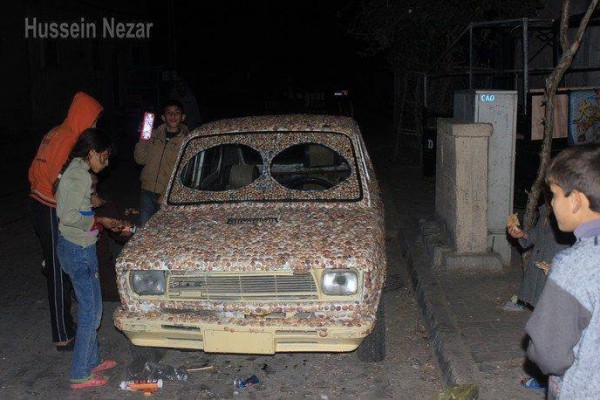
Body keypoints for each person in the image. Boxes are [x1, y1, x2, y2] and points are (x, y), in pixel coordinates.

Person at [28, 92, 103, 351]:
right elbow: (60, 184)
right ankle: (62, 334)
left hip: (40, 202)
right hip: (49, 206)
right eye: (94, 120)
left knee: (60, 265)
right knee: (58, 269)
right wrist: (86, 202)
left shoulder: (57, 131)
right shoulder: (68, 138)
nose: (95, 126)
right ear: (83, 116)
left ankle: (66, 324)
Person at [525, 144, 600, 399]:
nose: (553, 203)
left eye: (555, 195)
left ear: (576, 200)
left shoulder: (574, 265)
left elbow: (549, 352)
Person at [55, 128, 123, 389]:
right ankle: (80, 374)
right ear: (92, 152)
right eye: (103, 158)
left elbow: (72, 206)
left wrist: (94, 212)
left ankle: (92, 360)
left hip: (79, 247)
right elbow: (68, 216)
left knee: (92, 307)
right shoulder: (79, 176)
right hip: (78, 250)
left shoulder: (77, 170)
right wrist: (99, 221)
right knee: (90, 312)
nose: (105, 165)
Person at [134, 100, 189, 226]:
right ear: (163, 117)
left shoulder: (187, 140)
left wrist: (165, 194)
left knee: (164, 229)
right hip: (147, 191)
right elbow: (140, 159)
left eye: (177, 112)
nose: (173, 115)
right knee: (144, 228)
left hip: (169, 195)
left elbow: (182, 171)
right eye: (169, 112)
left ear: (183, 117)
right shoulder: (152, 134)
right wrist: (143, 137)